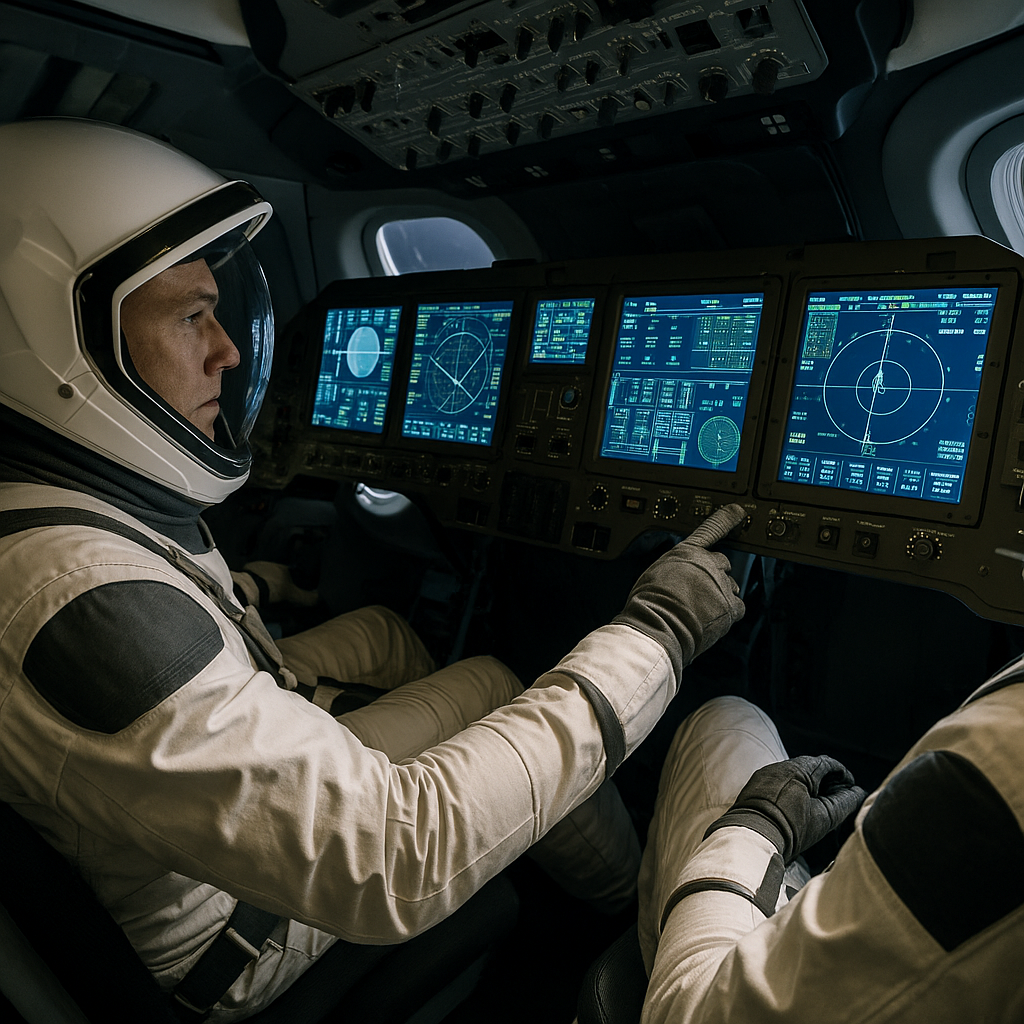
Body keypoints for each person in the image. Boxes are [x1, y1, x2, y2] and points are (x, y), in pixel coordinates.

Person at [0, 118, 747, 1020]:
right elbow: (397, 861)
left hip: (159, 838)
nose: (228, 350)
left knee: (390, 634)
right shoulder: (79, 605)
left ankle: (529, 808)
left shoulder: (41, 511)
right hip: (230, 936)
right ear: (61, 346)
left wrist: (260, 591)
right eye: (192, 315)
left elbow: (162, 643)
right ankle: (624, 911)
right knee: (498, 683)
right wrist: (656, 632)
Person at [635, 668, 1024, 1022]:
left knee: (724, 717)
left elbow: (691, 1014)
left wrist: (758, 822)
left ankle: (620, 901)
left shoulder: (992, 775)